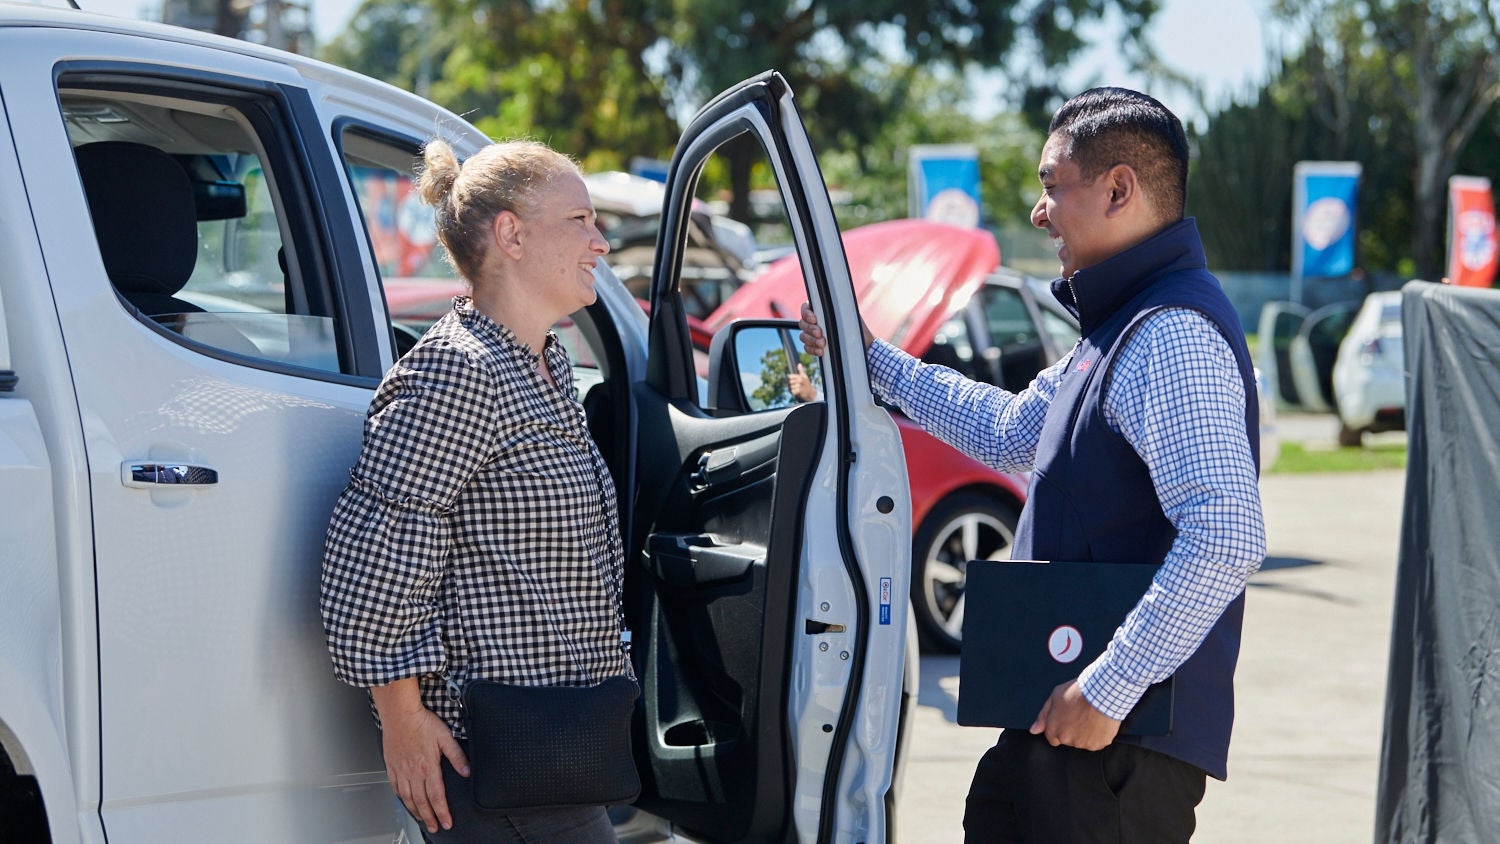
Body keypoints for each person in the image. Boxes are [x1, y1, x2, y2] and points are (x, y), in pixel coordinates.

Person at [799, 87, 1266, 842]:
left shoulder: (1170, 334)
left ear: (1118, 189)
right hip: (1067, 729)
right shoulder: (1122, 327)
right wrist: (870, 358)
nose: (1037, 212)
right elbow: (1011, 430)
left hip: (1116, 747)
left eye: (1052, 185)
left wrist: (1109, 688)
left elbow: (1226, 535)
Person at [320, 138, 630, 843]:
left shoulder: (545, 365)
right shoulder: (461, 371)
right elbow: (375, 554)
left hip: (562, 743)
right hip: (495, 760)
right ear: (511, 235)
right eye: (580, 220)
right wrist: (401, 717)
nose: (601, 242)